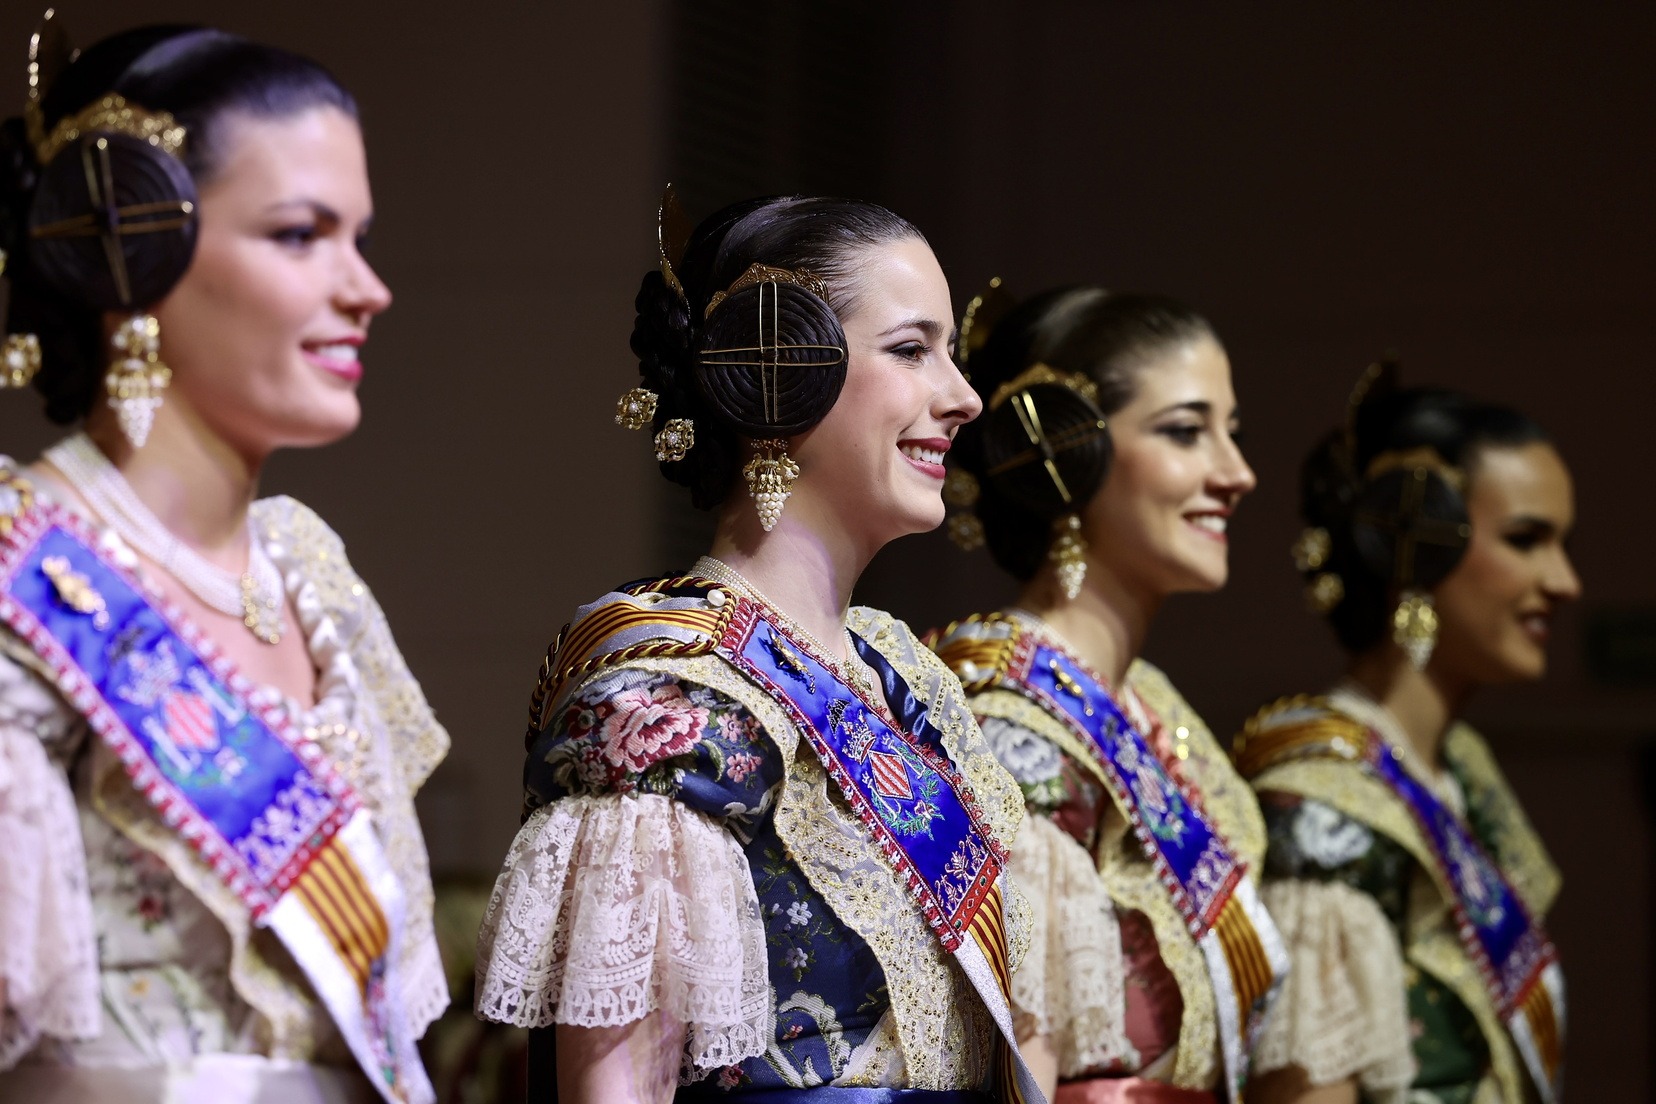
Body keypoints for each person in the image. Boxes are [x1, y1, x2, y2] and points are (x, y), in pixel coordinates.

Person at [473, 192, 1041, 1103]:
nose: (963, 397)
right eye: (911, 349)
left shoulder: (900, 675)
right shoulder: (670, 703)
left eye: (953, 354)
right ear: (779, 370)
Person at [0, 15, 448, 1103]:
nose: (367, 288)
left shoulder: (307, 570)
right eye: (300, 235)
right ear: (130, 250)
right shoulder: (24, 568)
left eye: (360, 238)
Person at [928, 285, 1287, 1103]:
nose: (1237, 474)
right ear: (1068, 450)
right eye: (1186, 431)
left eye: (1232, 432)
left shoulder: (1151, 699)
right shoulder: (1014, 728)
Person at [1235, 363, 1576, 1104]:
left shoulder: (1464, 764)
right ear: (1420, 541)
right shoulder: (1322, 801)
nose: (1564, 581)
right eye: (1527, 540)